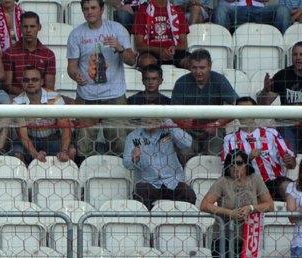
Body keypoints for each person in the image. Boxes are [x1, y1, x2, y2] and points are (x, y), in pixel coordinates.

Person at [67, 0, 137, 157]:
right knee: (83, 145)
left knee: (120, 143)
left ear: (102, 9)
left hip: (114, 96)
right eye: (86, 9)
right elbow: (71, 66)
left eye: (93, 8)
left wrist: (119, 48)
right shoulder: (76, 34)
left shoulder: (117, 29)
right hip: (86, 97)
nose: (89, 12)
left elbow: (132, 60)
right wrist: (75, 75)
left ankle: (120, 179)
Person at [200, 150, 274, 258]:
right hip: (224, 238)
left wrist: (251, 208)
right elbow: (204, 205)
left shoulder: (255, 179)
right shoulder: (222, 182)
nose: (235, 167)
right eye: (231, 164)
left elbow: (270, 205)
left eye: (239, 163)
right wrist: (230, 213)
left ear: (246, 164)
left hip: (248, 240)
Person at [222, 97, 296, 202]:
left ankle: (295, 217)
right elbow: (227, 170)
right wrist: (248, 158)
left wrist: (290, 161)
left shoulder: (271, 134)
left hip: (274, 182)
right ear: (236, 115)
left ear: (256, 112)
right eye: (240, 110)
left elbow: (292, 165)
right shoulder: (229, 139)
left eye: (249, 110)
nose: (245, 113)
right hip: (247, 185)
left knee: (287, 186)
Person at [171, 49, 238, 160]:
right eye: (194, 68)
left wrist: (217, 123)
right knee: (184, 152)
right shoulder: (181, 82)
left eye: (202, 68)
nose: (198, 72)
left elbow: (236, 106)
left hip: (214, 129)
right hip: (188, 130)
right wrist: (182, 121)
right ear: (189, 66)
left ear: (210, 66)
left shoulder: (220, 80)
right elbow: (173, 112)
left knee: (214, 156)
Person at [122, 119, 196, 210]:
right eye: (145, 117)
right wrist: (134, 159)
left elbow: (187, 144)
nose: (148, 120)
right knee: (139, 192)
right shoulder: (133, 137)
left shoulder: (169, 130)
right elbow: (126, 164)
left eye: (152, 117)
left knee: (189, 194)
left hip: (173, 181)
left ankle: (181, 222)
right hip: (149, 183)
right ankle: (148, 221)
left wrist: (171, 125)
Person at [11, 66, 75, 165]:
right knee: (17, 154)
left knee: (71, 151)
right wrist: (35, 154)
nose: (30, 83)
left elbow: (65, 127)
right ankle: (26, 179)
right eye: (26, 80)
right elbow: (22, 135)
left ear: (41, 82)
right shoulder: (17, 102)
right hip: (30, 140)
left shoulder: (55, 98)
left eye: (35, 80)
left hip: (53, 139)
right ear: (22, 83)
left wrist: (64, 151)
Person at [257, 41, 302, 154]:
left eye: (301, 54)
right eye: (295, 54)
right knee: (289, 154)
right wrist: (266, 90)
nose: (298, 58)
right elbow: (263, 104)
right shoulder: (283, 75)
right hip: (288, 124)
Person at [1, 11, 56, 96]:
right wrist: (27, 96)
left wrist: (35, 98)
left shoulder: (49, 55)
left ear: (39, 27)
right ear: (20, 28)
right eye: (25, 26)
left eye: (32, 26)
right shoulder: (9, 53)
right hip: (16, 99)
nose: (28, 30)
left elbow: (49, 87)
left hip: (41, 100)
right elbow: (7, 85)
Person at [132, 0, 190, 68]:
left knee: (193, 62)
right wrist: (159, 50)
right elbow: (139, 45)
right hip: (151, 52)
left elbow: (184, 44)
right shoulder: (143, 11)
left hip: (174, 52)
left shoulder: (178, 11)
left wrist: (174, 48)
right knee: (146, 62)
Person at [214, 0, 290, 34]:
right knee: (221, 9)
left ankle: (282, 45)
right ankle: (222, 44)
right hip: (237, 9)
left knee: (282, 9)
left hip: (260, 10)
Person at [285, 163, 302, 258]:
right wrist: (296, 211)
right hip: (300, 244)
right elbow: (292, 216)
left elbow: (296, 211)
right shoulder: (293, 187)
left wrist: (299, 209)